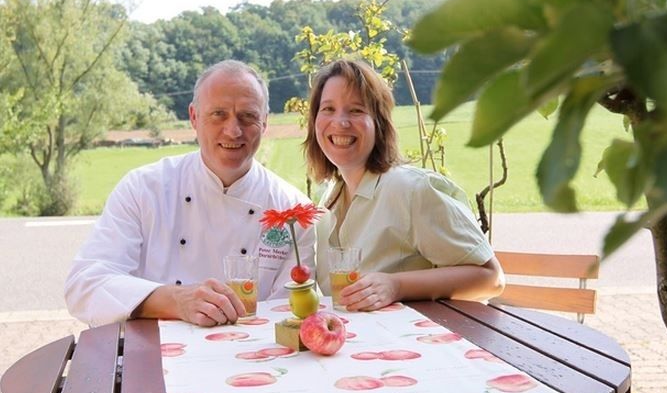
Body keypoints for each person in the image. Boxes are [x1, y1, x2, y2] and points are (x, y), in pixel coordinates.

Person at [65, 60, 315, 327]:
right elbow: (85, 285)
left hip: (249, 356)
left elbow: (287, 314)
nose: (233, 130)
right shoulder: (143, 188)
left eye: (248, 116)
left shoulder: (293, 210)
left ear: (265, 123)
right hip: (151, 353)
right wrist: (175, 300)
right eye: (218, 114)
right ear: (194, 117)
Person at [303, 59, 504, 311]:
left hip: (422, 345)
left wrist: (396, 285)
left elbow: (490, 278)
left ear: (379, 122)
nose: (341, 122)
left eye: (356, 110)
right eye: (328, 109)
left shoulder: (410, 189)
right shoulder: (328, 200)